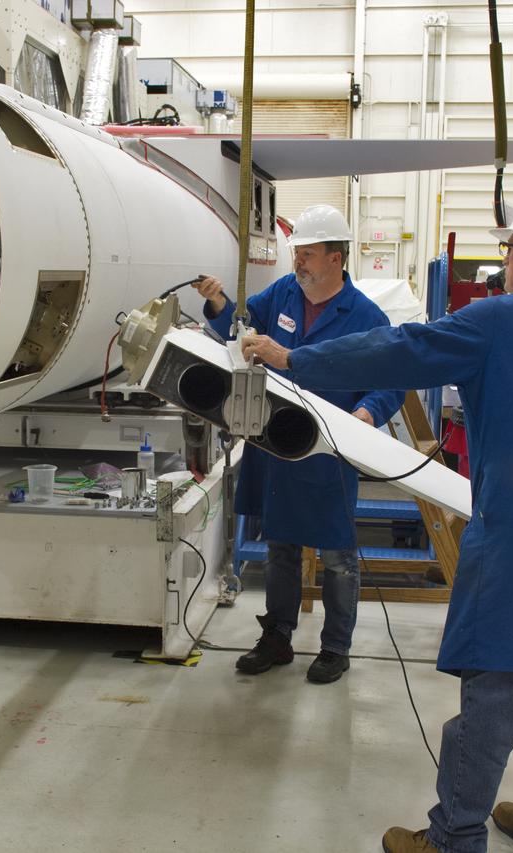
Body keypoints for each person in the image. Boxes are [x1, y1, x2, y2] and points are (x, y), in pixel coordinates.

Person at [240, 198, 513, 853]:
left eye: (509, 251)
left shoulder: (497, 319)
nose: (505, 262)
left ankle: (453, 835)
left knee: (497, 682)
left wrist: (296, 361)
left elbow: (401, 349)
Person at [195, 203, 403, 684]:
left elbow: (392, 379)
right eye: (298, 254)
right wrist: (218, 303)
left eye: (308, 254)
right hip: (276, 441)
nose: (299, 263)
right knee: (281, 547)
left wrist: (366, 413)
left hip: (329, 449)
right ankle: (277, 638)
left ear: (337, 258)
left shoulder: (365, 316)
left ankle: (335, 647)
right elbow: (240, 329)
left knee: (337, 555)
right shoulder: (284, 294)